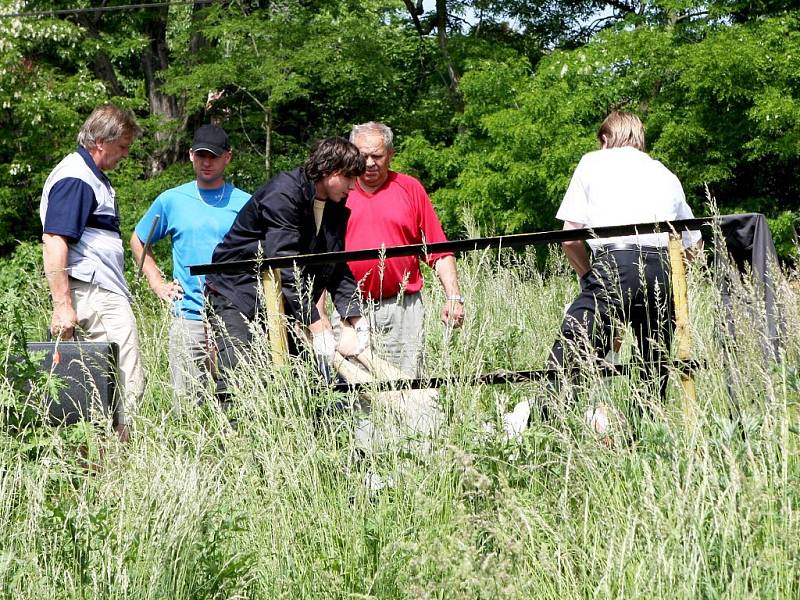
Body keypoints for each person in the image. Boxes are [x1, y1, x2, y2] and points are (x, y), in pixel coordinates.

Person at [541, 111, 701, 423]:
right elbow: (694, 244)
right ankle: (644, 434)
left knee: (573, 346)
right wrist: (674, 279)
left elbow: (569, 237)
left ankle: (545, 423)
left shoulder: (593, 161)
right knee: (653, 362)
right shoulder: (665, 173)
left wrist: (589, 278)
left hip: (615, 263)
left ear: (606, 138)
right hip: (663, 270)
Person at [205, 137, 368, 405]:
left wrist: (356, 319)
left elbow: (335, 264)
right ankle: (235, 440)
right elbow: (284, 263)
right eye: (349, 176)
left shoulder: (335, 207)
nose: (354, 185)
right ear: (328, 169)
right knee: (239, 375)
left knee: (307, 378)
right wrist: (316, 325)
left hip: (284, 298)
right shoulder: (284, 193)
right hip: (237, 293)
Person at [40, 105, 144, 441]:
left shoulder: (87, 176)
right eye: (123, 146)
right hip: (94, 293)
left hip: (95, 291)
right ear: (101, 141)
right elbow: (55, 240)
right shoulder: (76, 177)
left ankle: (100, 464)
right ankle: (116, 464)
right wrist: (62, 304)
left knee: (94, 382)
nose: (126, 155)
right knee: (123, 379)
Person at [130, 125, 250, 410]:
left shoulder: (246, 202)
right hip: (188, 315)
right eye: (201, 155)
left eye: (214, 156)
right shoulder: (172, 200)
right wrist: (157, 283)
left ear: (227, 158)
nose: (207, 162)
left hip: (233, 315)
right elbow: (138, 239)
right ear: (191, 156)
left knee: (236, 400)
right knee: (186, 406)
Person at [336, 121, 464, 377]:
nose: (370, 163)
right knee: (358, 389)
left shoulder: (409, 188)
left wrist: (453, 296)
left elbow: (438, 250)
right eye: (363, 156)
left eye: (377, 156)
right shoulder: (339, 191)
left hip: (403, 307)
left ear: (391, 154)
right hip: (350, 307)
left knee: (407, 383)